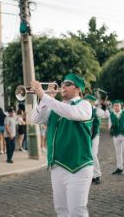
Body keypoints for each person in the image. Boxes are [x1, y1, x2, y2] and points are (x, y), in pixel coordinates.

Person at [31, 73, 93, 217]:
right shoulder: (55, 106)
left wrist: (45, 96)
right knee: (61, 211)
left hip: (79, 166)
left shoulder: (84, 105)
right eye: (63, 83)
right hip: (57, 165)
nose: (63, 86)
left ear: (78, 89)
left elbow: (71, 113)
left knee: (77, 212)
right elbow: (36, 118)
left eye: (68, 84)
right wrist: (46, 99)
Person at [105, 100, 124, 177]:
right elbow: (109, 125)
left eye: (118, 105)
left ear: (120, 106)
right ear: (113, 106)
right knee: (118, 152)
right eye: (115, 105)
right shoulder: (111, 115)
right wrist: (111, 128)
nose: (116, 107)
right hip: (116, 135)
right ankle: (119, 167)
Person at [84, 94, 106, 184]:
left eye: (87, 101)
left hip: (95, 135)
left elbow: (105, 114)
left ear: (91, 102)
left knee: (93, 154)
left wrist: (103, 106)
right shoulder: (84, 110)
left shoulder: (96, 111)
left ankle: (98, 174)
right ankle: (92, 175)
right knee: (88, 156)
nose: (85, 102)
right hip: (87, 135)